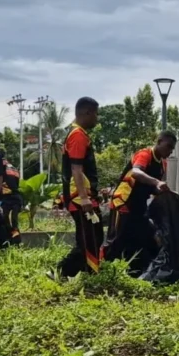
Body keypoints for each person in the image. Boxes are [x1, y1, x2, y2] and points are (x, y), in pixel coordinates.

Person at [103, 131, 177, 275]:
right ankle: (103, 270)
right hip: (124, 202)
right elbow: (136, 172)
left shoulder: (163, 164)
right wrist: (157, 182)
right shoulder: (145, 154)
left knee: (145, 237)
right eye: (168, 146)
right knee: (117, 238)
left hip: (139, 204)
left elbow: (153, 187)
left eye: (172, 149)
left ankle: (137, 271)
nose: (169, 151)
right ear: (159, 141)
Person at [57, 97, 103, 278]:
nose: (96, 118)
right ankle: (62, 271)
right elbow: (76, 168)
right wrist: (84, 198)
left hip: (81, 196)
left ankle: (83, 273)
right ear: (87, 113)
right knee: (89, 238)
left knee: (91, 236)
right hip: (80, 198)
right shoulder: (77, 135)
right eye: (96, 114)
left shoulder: (76, 133)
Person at [0, 155, 23, 246]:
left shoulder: (1, 169)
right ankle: (15, 241)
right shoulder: (14, 169)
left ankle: (14, 241)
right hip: (15, 198)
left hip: (8, 198)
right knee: (13, 220)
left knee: (7, 220)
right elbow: (16, 184)